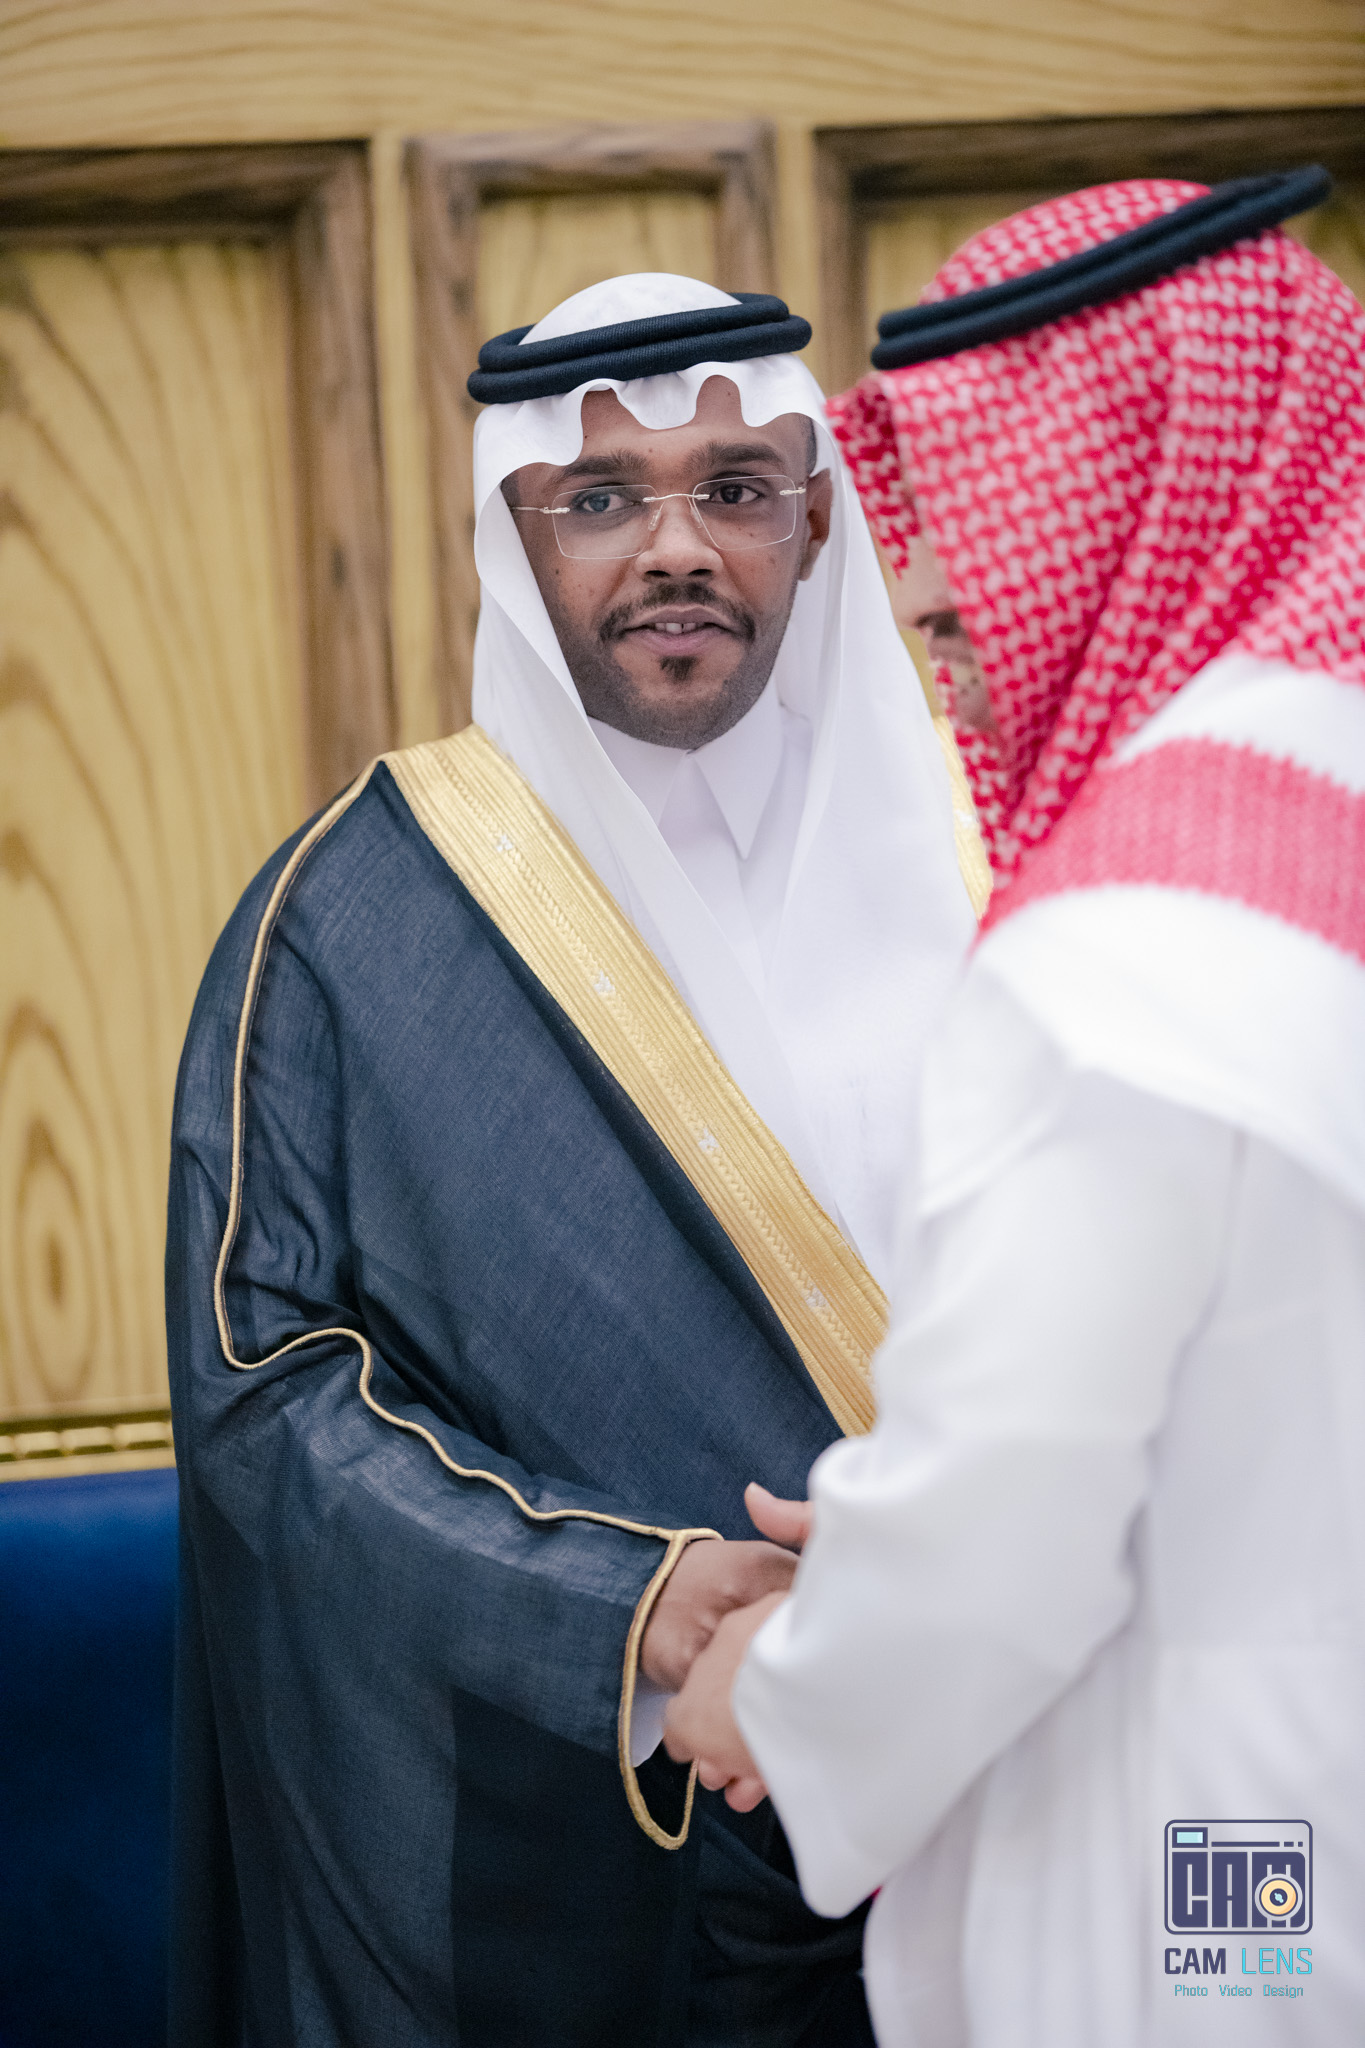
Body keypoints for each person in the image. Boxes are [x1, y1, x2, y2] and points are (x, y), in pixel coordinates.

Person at [165, 273, 978, 2047]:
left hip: (1014, 1768)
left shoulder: (1005, 854)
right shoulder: (354, 918)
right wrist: (635, 1607)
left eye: (734, 488)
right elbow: (262, 1393)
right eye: (601, 498)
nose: (674, 547)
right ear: (516, 537)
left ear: (813, 518)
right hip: (601, 1849)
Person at [663, 172, 1365, 2043]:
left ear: (1142, 488)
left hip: (1225, 1869)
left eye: (966, 498)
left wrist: (782, 1683)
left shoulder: (1137, 940)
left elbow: (1007, 1519)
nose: (919, 596)